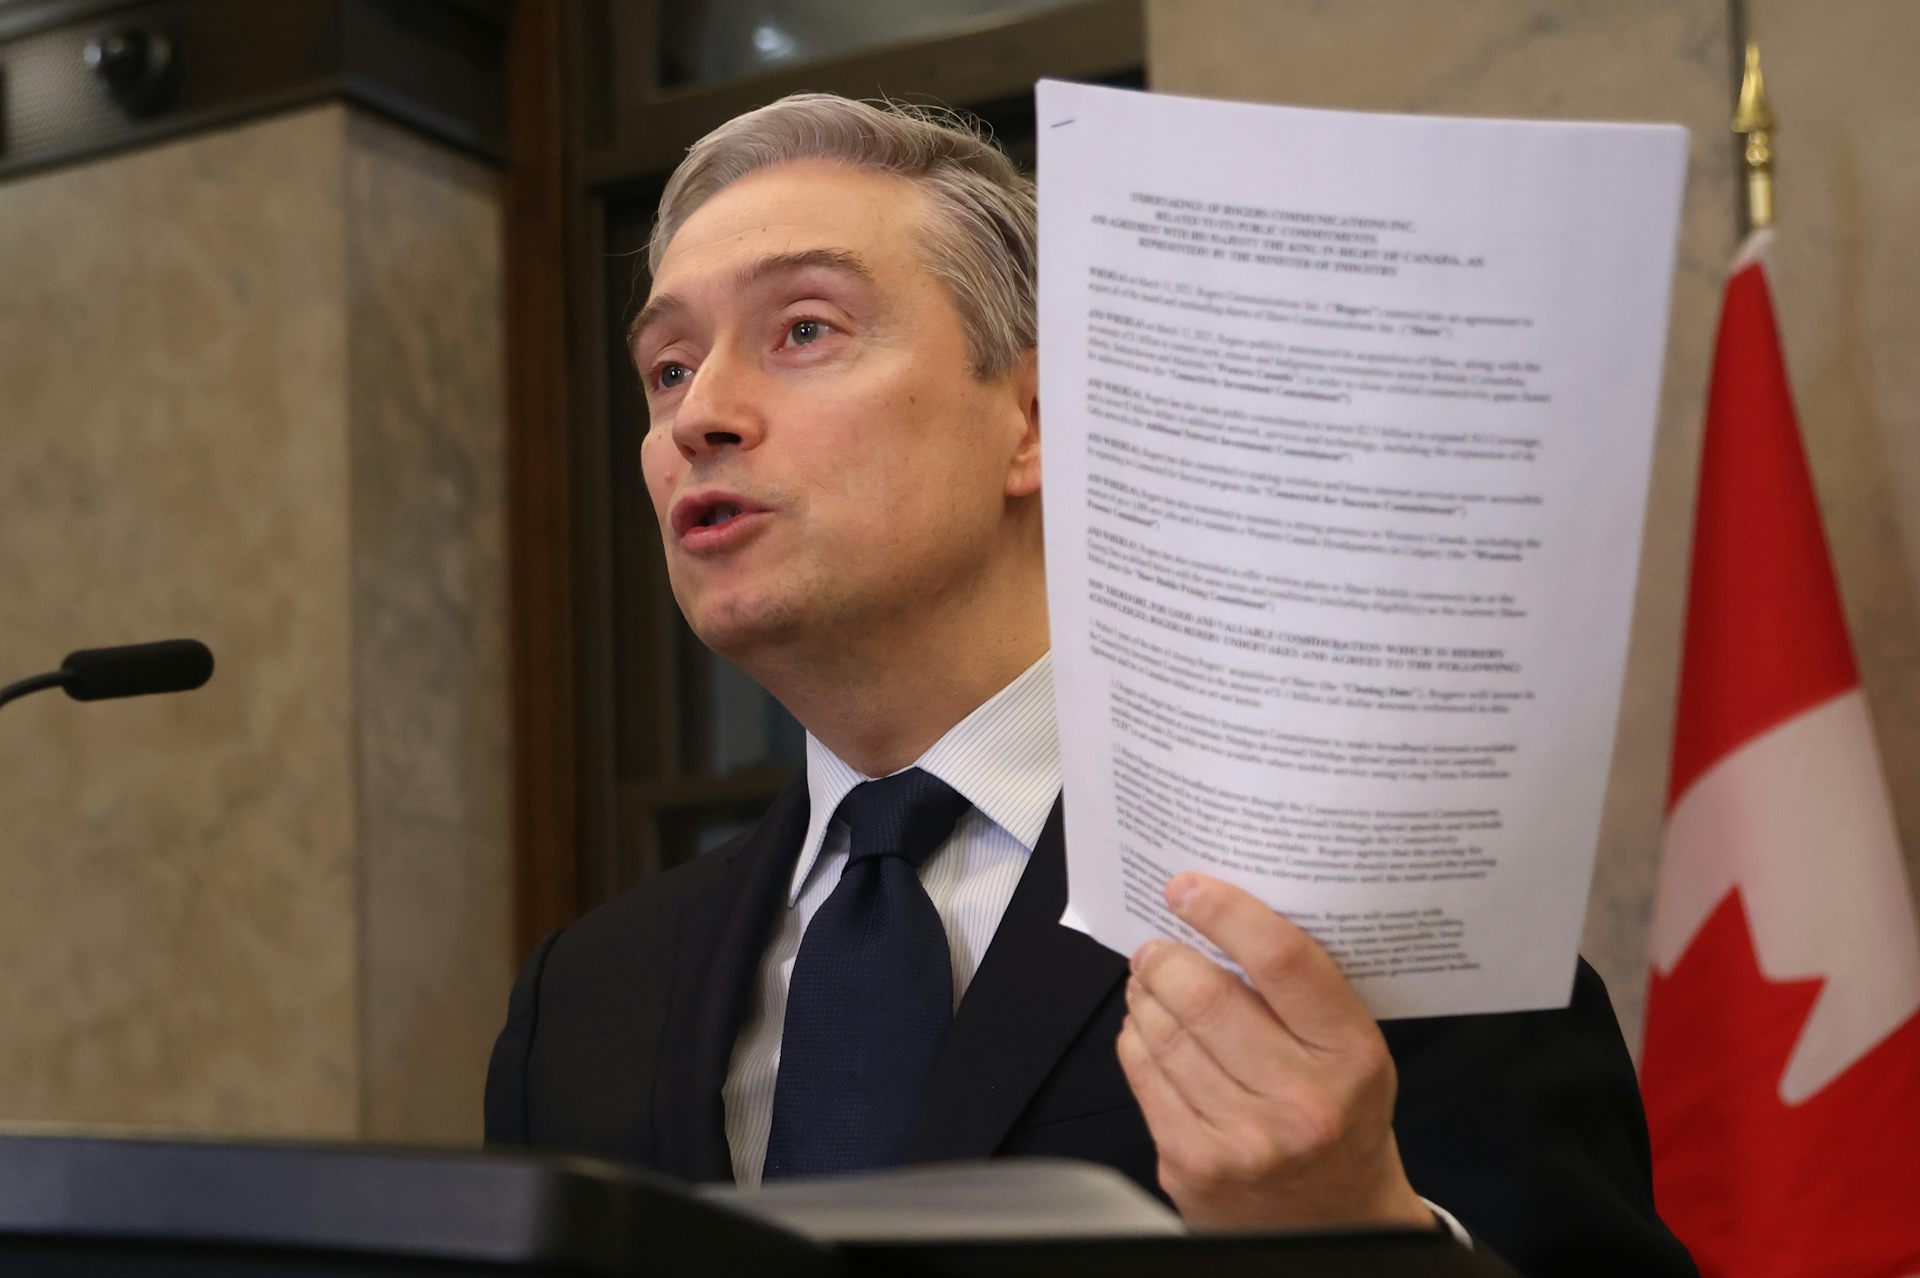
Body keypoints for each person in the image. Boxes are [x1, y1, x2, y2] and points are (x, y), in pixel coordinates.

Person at [485, 92, 1695, 1276]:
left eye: (804, 329)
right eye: (667, 368)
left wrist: (1363, 1234)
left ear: (1034, 418)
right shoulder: (584, 1001)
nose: (701, 415)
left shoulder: (1347, 905)